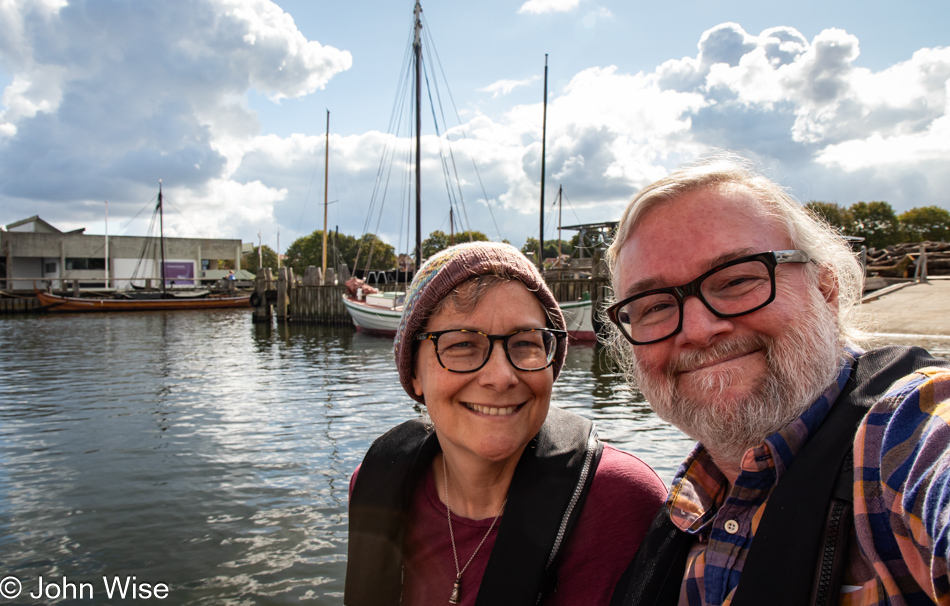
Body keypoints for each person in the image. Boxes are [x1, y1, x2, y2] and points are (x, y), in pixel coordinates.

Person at [604, 154, 950, 606]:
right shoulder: (684, 513)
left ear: (825, 292)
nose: (699, 330)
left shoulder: (906, 434)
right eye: (655, 306)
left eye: (737, 280)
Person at [345, 242, 666, 606]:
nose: (501, 377)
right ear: (415, 374)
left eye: (525, 344)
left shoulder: (624, 501)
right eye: (462, 345)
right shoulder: (375, 484)